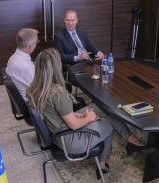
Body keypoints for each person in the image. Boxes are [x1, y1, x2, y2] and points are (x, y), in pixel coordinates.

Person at [27, 48, 145, 178]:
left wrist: (82, 115)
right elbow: (74, 125)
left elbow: (57, 115)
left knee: (99, 107)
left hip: (58, 130)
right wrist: (89, 118)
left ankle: (129, 138)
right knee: (108, 122)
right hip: (69, 140)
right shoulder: (57, 93)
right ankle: (102, 164)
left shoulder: (35, 88)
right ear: (56, 68)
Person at [6, 28, 39, 101]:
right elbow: (39, 88)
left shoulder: (13, 57)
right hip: (31, 102)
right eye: (36, 42)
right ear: (30, 46)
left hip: (24, 96)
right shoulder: (26, 67)